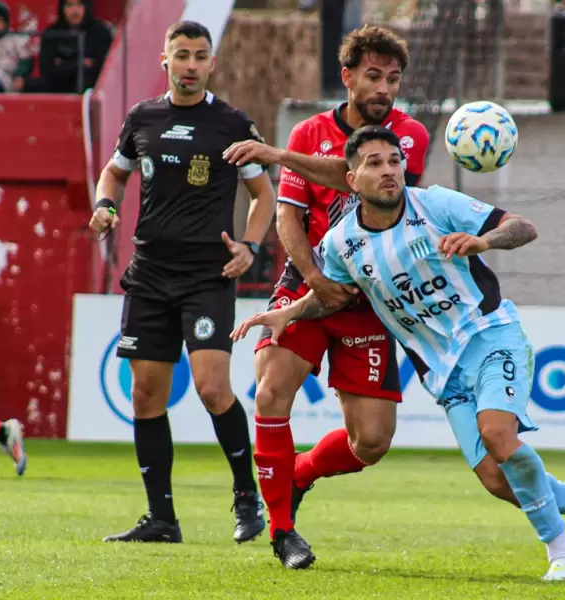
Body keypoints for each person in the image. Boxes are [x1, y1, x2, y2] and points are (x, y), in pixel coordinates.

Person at [229, 126, 565, 580]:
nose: (389, 170)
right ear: (350, 180)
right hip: (443, 373)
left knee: (497, 433)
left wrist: (484, 241)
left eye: (394, 161)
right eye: (374, 163)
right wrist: (287, 314)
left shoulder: (434, 204)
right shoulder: (341, 243)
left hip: (490, 336)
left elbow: (522, 227)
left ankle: (563, 555)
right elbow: (333, 296)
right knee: (496, 478)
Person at [245, 26, 430, 569]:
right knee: (270, 393)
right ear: (347, 77)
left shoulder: (409, 135)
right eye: (373, 76)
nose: (384, 89)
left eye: (393, 79)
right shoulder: (309, 131)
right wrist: (313, 279)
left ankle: (297, 475)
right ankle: (282, 532)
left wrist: (279, 154)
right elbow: (287, 215)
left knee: (370, 443)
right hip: (306, 288)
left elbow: (364, 183)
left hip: (370, 304)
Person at [88, 21, 275, 544]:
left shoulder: (232, 124)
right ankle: (162, 519)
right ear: (165, 62)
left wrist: (250, 246)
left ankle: (246, 498)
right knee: (146, 395)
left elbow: (265, 196)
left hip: (206, 275)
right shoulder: (142, 117)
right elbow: (114, 173)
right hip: (149, 273)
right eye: (181, 55)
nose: (191, 63)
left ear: (212, 63)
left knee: (213, 387)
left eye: (200, 55)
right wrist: (104, 205)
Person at [36, 0, 112, 93]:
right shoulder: (52, 32)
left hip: (91, 91)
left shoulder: (101, 32)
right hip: (58, 88)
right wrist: (80, 64)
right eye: (69, 5)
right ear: (62, 8)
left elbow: (102, 67)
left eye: (79, 4)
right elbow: (47, 68)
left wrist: (64, 64)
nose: (75, 11)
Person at [0, 2, 34, 93]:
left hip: (9, 80)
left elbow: (26, 61)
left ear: (5, 22)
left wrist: (19, 75)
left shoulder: (15, 38)